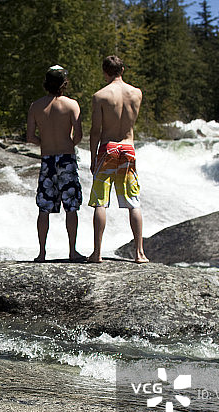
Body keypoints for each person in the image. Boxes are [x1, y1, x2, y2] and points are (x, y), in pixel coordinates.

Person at [87, 55, 149, 263]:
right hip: (128, 148)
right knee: (133, 202)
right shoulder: (136, 93)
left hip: (108, 147)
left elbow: (96, 130)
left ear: (105, 72)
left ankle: (97, 253)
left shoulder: (100, 96)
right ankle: (139, 253)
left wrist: (93, 156)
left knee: (100, 202)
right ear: (122, 69)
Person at [26, 65, 85, 263]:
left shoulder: (36, 106)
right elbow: (78, 134)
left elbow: (30, 137)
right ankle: (72, 251)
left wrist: (44, 143)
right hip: (66, 158)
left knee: (44, 207)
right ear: (64, 83)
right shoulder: (71, 105)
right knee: (71, 207)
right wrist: (69, 144)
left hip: (47, 158)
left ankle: (42, 253)